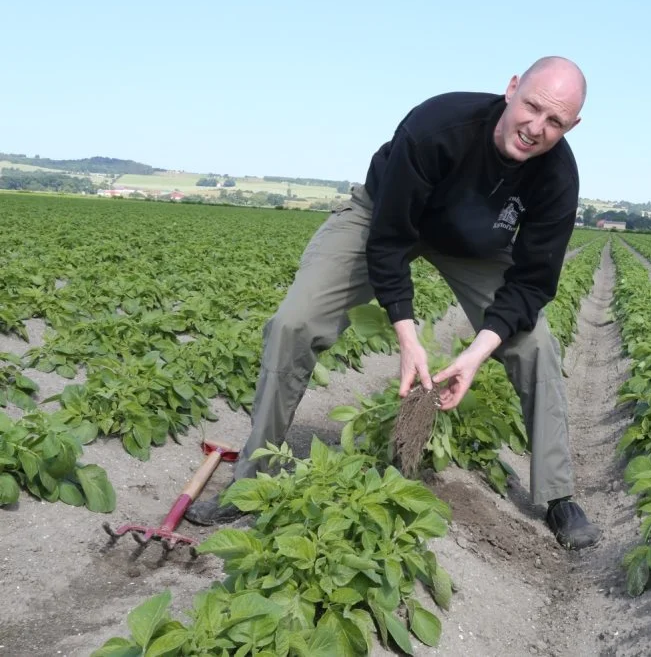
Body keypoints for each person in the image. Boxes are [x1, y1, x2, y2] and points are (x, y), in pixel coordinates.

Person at [184, 56, 601, 550]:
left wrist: (473, 355)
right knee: (294, 323)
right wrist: (407, 335)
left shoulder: (558, 177)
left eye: (555, 121)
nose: (536, 128)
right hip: (384, 217)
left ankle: (557, 496)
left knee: (535, 346)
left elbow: (531, 283)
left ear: (572, 125)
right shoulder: (438, 127)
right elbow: (387, 242)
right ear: (512, 89)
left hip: (476, 247)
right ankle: (253, 477)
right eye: (532, 107)